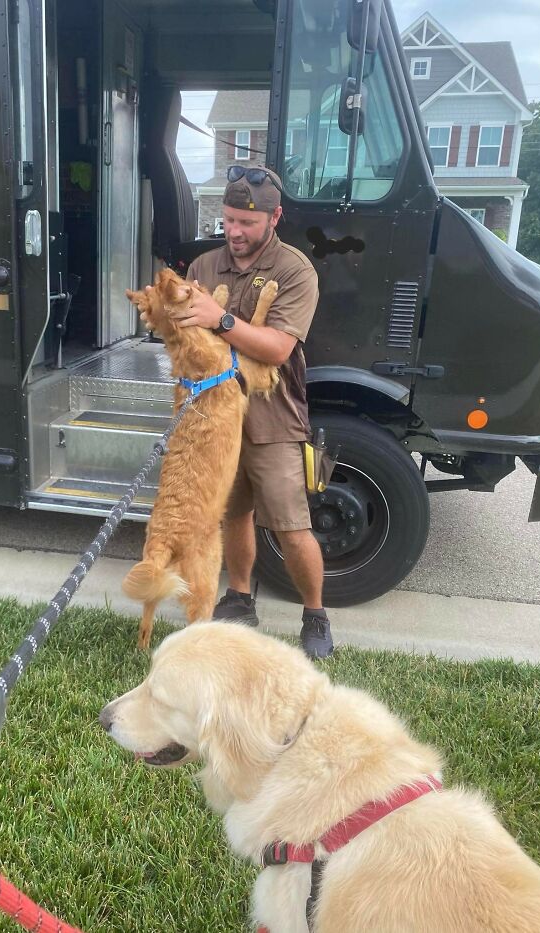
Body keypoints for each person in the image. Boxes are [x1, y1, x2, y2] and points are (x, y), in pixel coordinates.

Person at [175, 164, 333, 659]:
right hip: (216, 420)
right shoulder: (202, 267)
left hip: (272, 419)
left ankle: (315, 615)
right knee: (234, 514)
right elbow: (186, 337)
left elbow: (278, 348)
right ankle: (240, 598)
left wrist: (217, 318)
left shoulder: (294, 271)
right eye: (228, 221)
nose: (235, 232)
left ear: (274, 217)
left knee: (290, 523)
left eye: (246, 223)